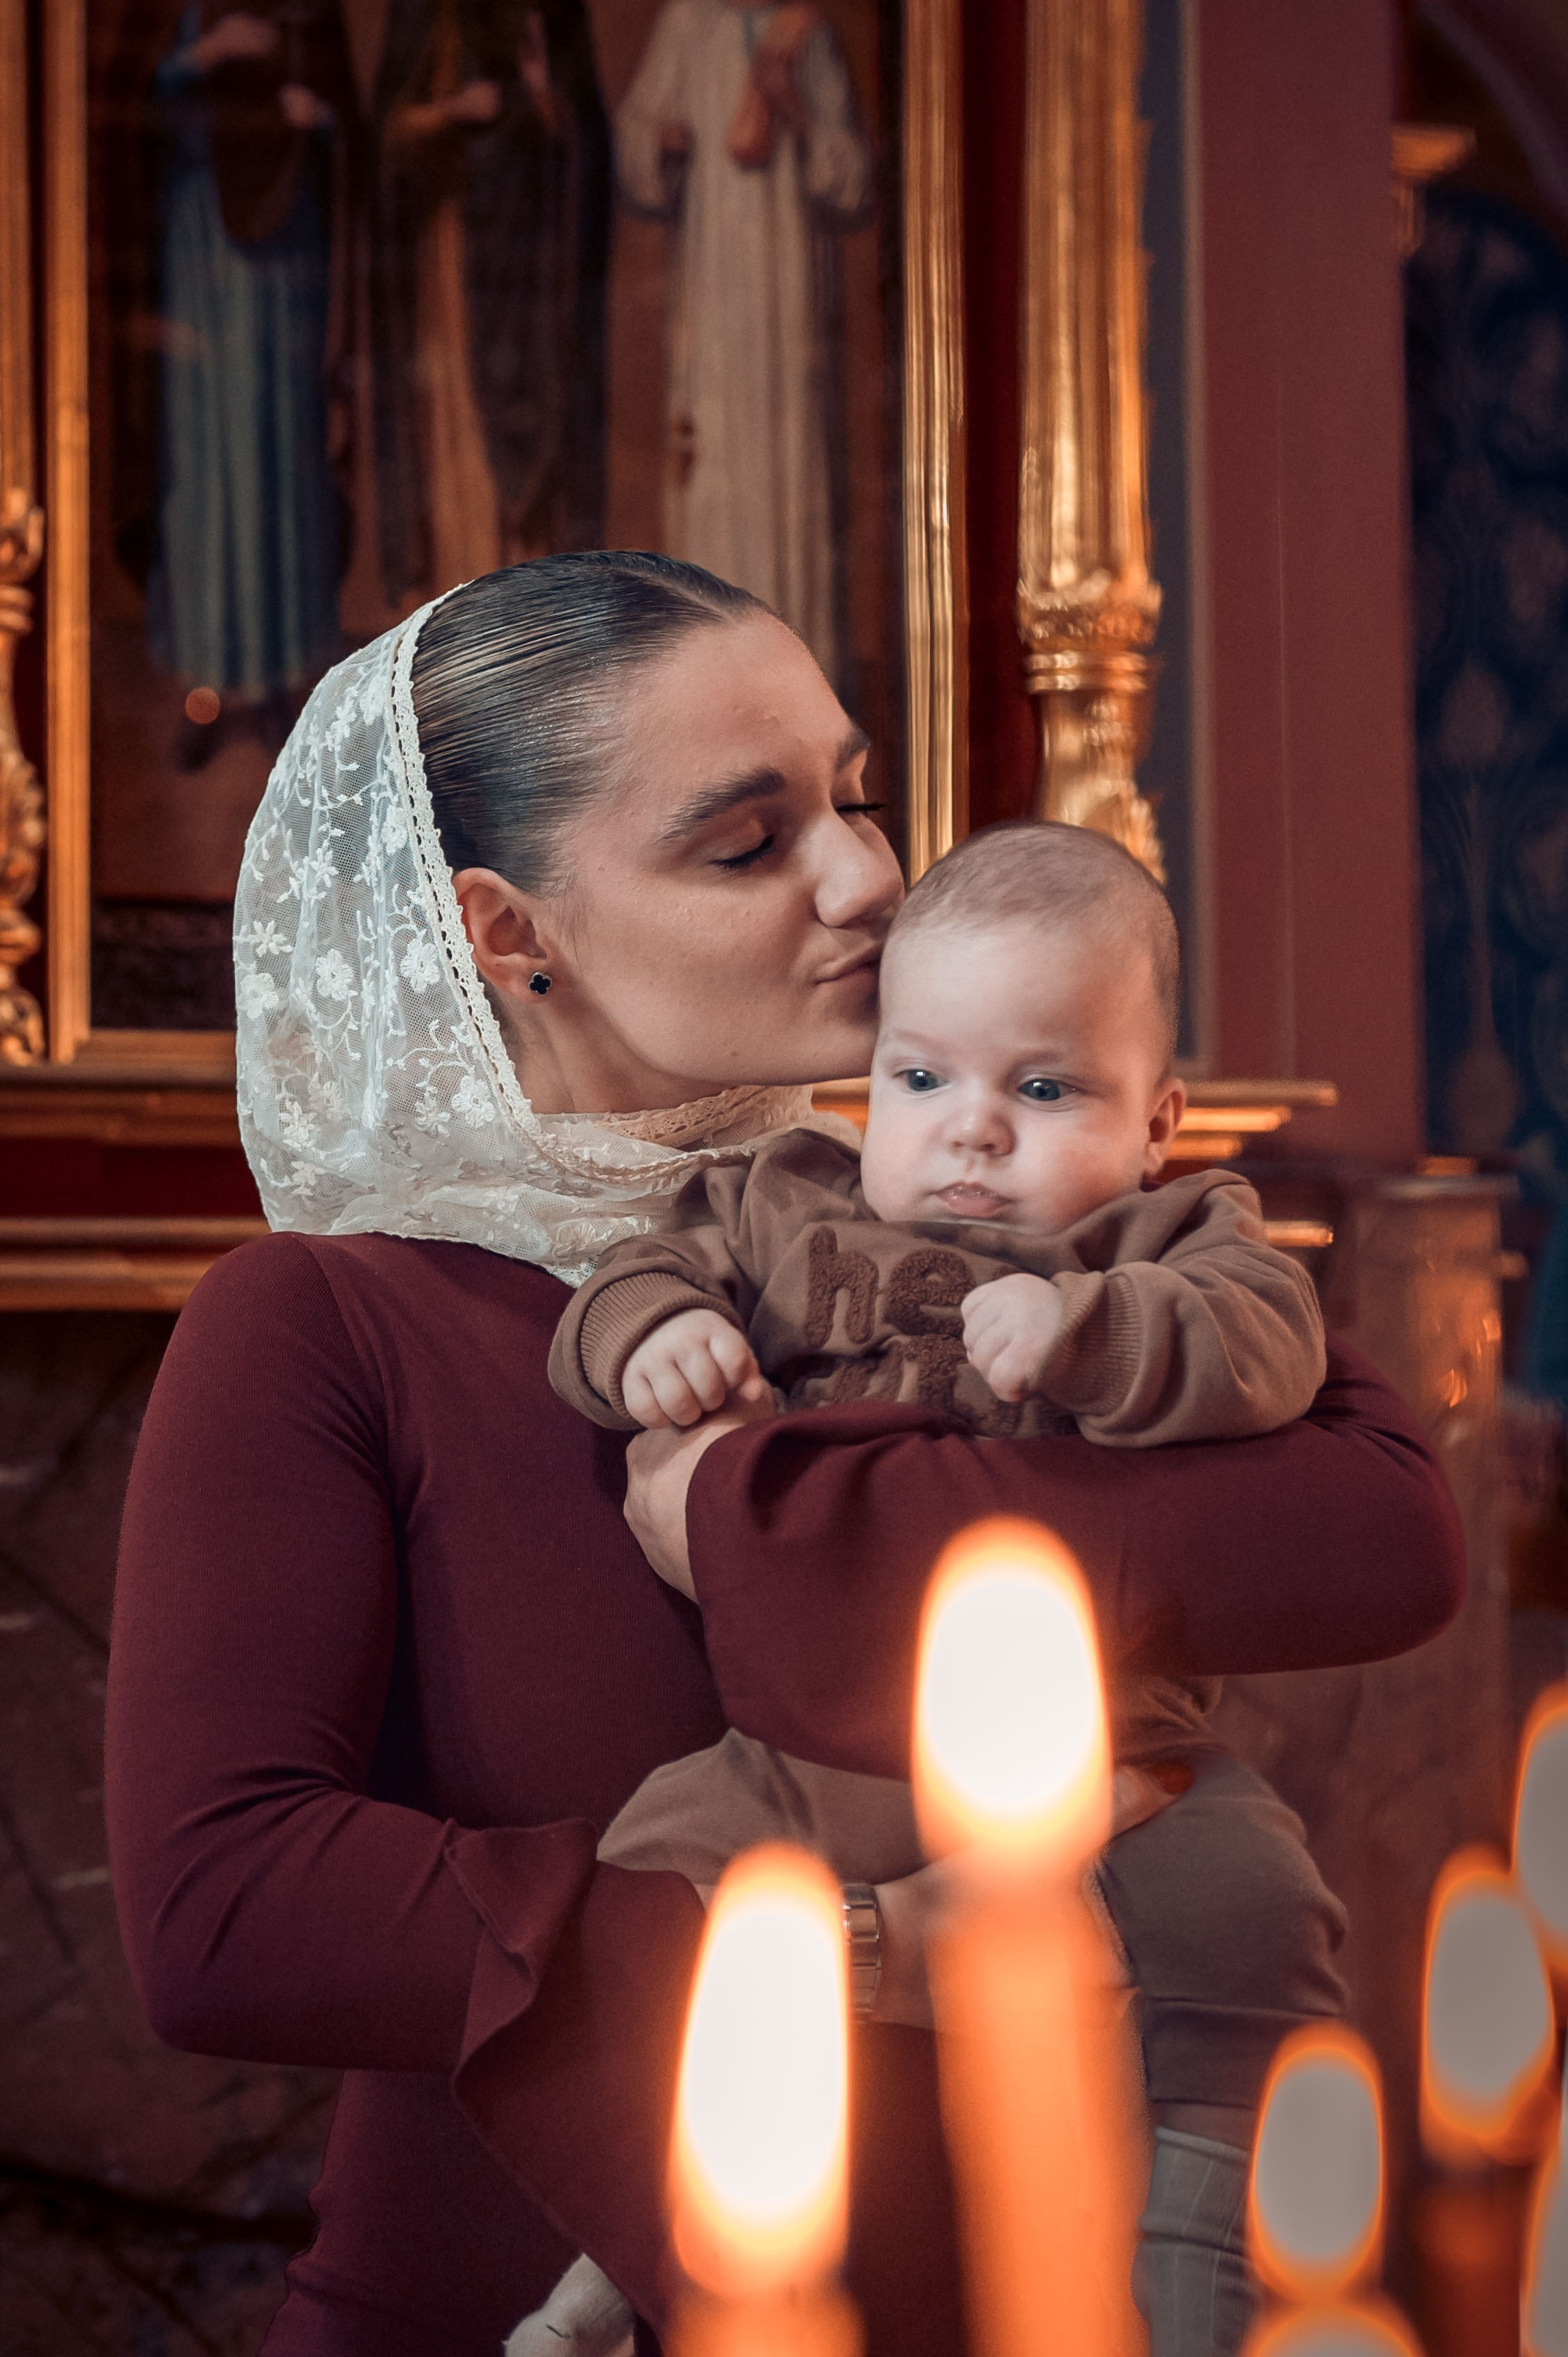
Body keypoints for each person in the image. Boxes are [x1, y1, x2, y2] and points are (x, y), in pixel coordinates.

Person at [106, 553, 1465, 2357]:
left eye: (858, 795)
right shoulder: (325, 1326)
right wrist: (847, 1936)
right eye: (748, 843)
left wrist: (750, 1506)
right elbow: (225, 1910)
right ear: (514, 932)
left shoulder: (934, 1216)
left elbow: (1381, 1533)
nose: (872, 878)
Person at [523, 820, 1341, 2357]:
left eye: (1043, 1090)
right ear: (868, 1081)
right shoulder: (785, 1203)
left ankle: (1208, 2295)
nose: (972, 1132)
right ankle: (614, 2278)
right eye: (924, 1079)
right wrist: (646, 1345)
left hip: (1106, 1767)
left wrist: (1101, 1332)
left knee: (1257, 1910)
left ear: (1158, 1122)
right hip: (806, 1753)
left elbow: (1272, 1343)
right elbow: (633, 1279)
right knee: (639, 1906)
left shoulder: (1165, 1238)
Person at [108, 2, 359, 766]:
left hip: (283, 251)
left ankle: (282, 676)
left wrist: (316, 116)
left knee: (279, 454)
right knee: (207, 461)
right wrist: (206, 53)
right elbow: (122, 107)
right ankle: (209, 681)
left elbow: (344, 102)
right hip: (196, 247)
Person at [615, 3, 870, 683]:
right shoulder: (690, 20)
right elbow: (637, 129)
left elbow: (850, 177)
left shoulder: (806, 32)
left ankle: (798, 679)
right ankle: (722, 681)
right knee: (717, 474)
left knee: (794, 471)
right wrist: (661, 143)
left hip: (790, 309)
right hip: (715, 293)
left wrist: (801, 117)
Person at [371, 0, 612, 604]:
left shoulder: (550, 16)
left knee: (528, 432)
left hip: (528, 275)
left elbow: (585, 146)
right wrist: (450, 112)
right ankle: (454, 604)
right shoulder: (424, 15)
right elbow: (389, 134)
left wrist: (540, 94)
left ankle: (521, 614)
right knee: (452, 435)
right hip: (447, 259)